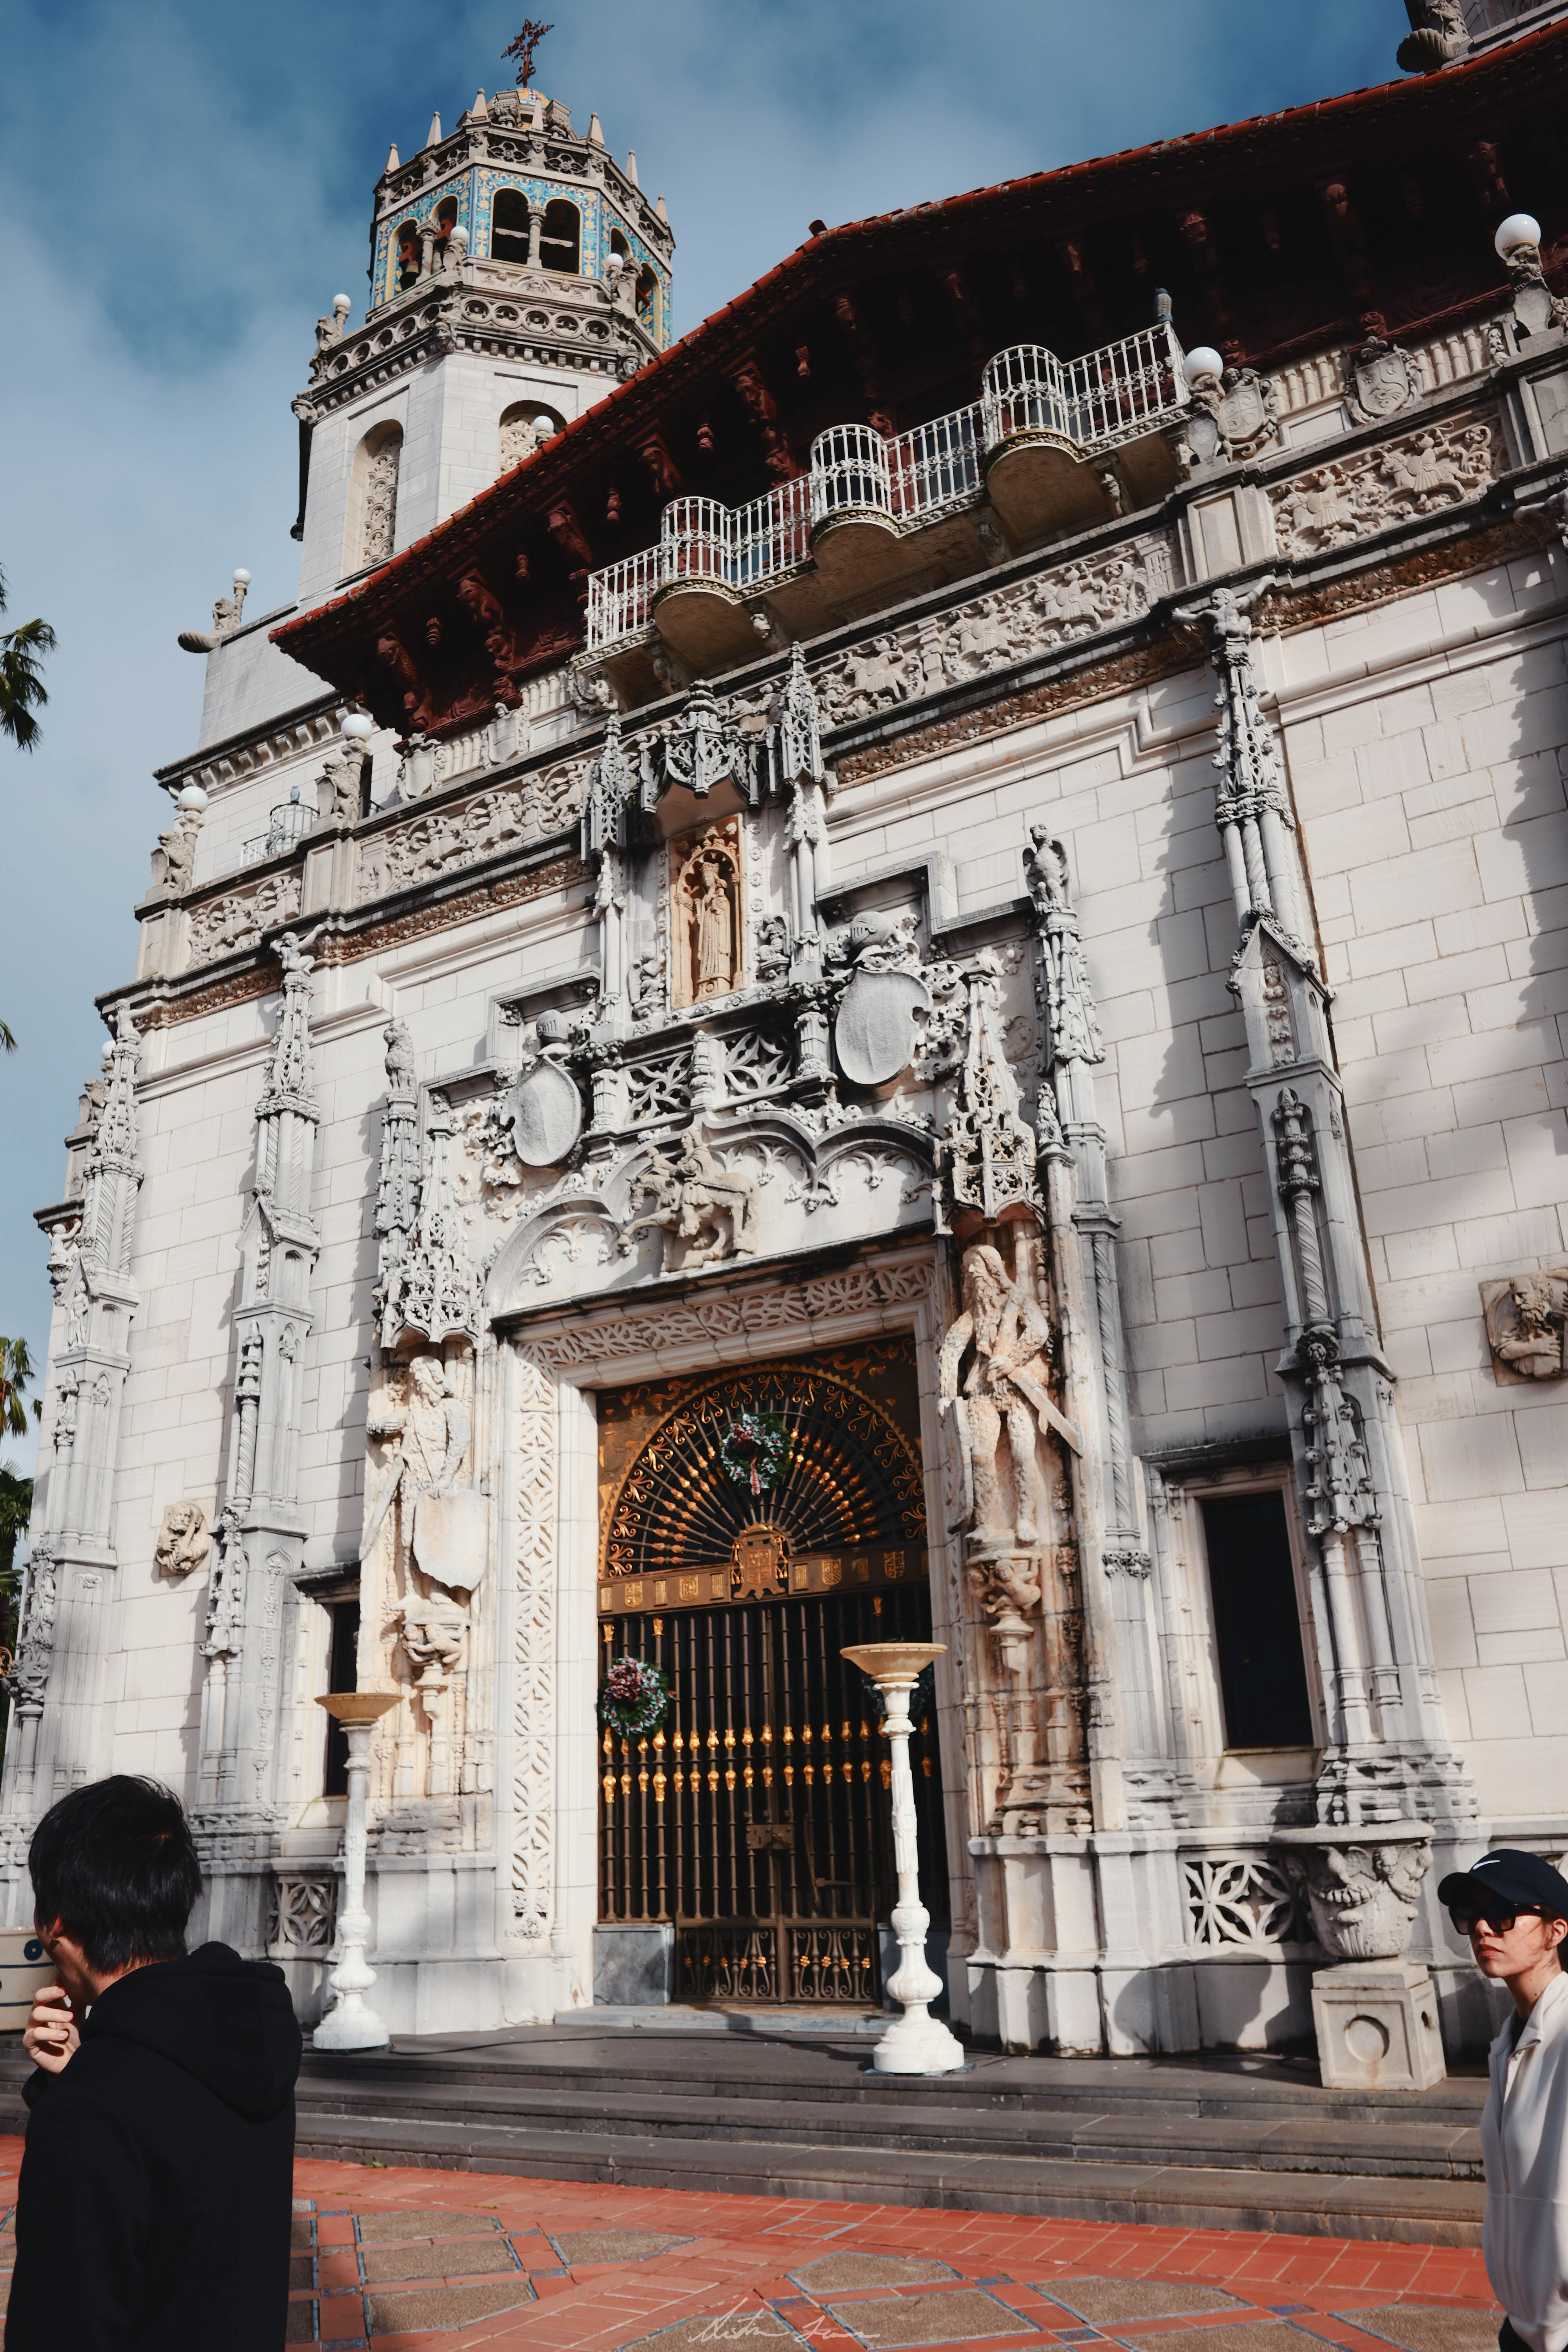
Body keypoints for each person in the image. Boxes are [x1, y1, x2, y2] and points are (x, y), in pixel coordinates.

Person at [5, 1774, 302, 2352]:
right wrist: (79, 2077)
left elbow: (61, 2320)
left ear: (56, 1924)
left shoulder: (93, 2107)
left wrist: (81, 2093)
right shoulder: (245, 2039)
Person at [1439, 1849, 1568, 2352]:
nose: (1482, 1928)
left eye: (1503, 1913)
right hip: (1523, 2324)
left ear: (1556, 1931)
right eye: (1469, 1915)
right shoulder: (1510, 2041)